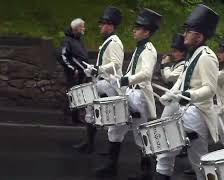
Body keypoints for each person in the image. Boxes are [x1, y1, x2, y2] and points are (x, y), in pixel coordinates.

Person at [157, 4, 220, 180]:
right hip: (179, 108)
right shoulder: (192, 55)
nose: (184, 34)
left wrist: (189, 95)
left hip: (196, 112)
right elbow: (181, 79)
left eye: (188, 31)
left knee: (199, 161)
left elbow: (210, 88)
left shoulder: (207, 56)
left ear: (199, 36)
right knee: (165, 151)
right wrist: (171, 93)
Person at [113, 8, 161, 180]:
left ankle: (146, 172)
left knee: (141, 133)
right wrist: (120, 79)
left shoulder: (148, 50)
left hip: (138, 96)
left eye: (138, 27)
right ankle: (111, 165)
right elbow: (132, 70)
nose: (134, 30)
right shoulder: (139, 48)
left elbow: (147, 74)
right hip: (131, 93)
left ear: (147, 32)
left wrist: (126, 80)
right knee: (117, 127)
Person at [72, 6, 124, 164]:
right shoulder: (108, 41)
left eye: (103, 24)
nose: (100, 26)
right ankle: (89, 143)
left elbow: (115, 63)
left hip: (110, 85)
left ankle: (108, 154)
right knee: (91, 109)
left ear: (110, 25)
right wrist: (92, 70)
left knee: (113, 121)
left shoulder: (114, 42)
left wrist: (98, 69)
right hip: (102, 82)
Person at [56, 18, 88, 125]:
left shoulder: (78, 40)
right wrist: (72, 68)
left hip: (81, 71)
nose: (84, 28)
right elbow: (62, 55)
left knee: (77, 94)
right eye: (82, 26)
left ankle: (75, 117)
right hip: (73, 72)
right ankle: (68, 118)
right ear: (76, 28)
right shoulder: (67, 40)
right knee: (71, 94)